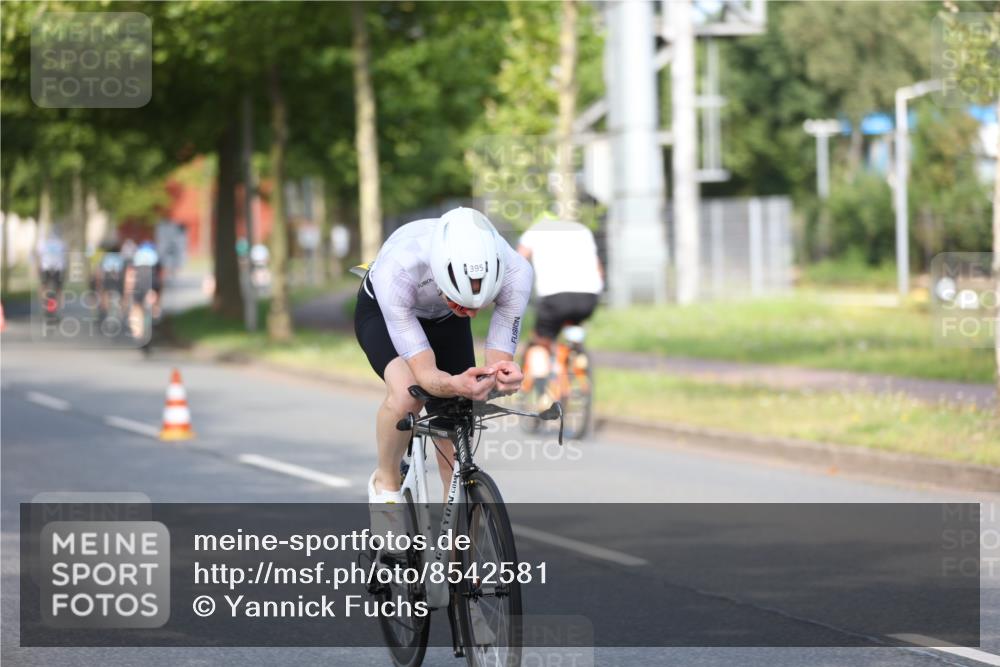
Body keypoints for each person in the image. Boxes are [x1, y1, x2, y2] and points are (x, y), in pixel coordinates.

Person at [354, 207, 533, 506]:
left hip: (446, 320)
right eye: (463, 303)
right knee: (408, 394)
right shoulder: (397, 270)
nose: (474, 314)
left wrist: (501, 374)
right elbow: (426, 376)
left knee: (456, 412)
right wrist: (452, 384)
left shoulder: (517, 271)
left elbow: (498, 362)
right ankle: (386, 483)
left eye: (481, 303)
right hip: (387, 313)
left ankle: (458, 540)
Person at [516, 214, 604, 383]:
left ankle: (543, 388)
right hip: (589, 297)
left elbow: (517, 262)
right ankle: (575, 360)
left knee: (540, 341)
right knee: (571, 325)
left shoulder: (537, 229)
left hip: (554, 297)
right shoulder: (583, 230)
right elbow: (599, 270)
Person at [35, 234, 67, 316]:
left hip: (46, 267)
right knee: (59, 289)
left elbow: (39, 256)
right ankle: (58, 309)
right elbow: (65, 257)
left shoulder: (43, 242)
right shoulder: (61, 243)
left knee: (43, 287)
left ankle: (44, 305)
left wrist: (38, 268)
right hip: (58, 268)